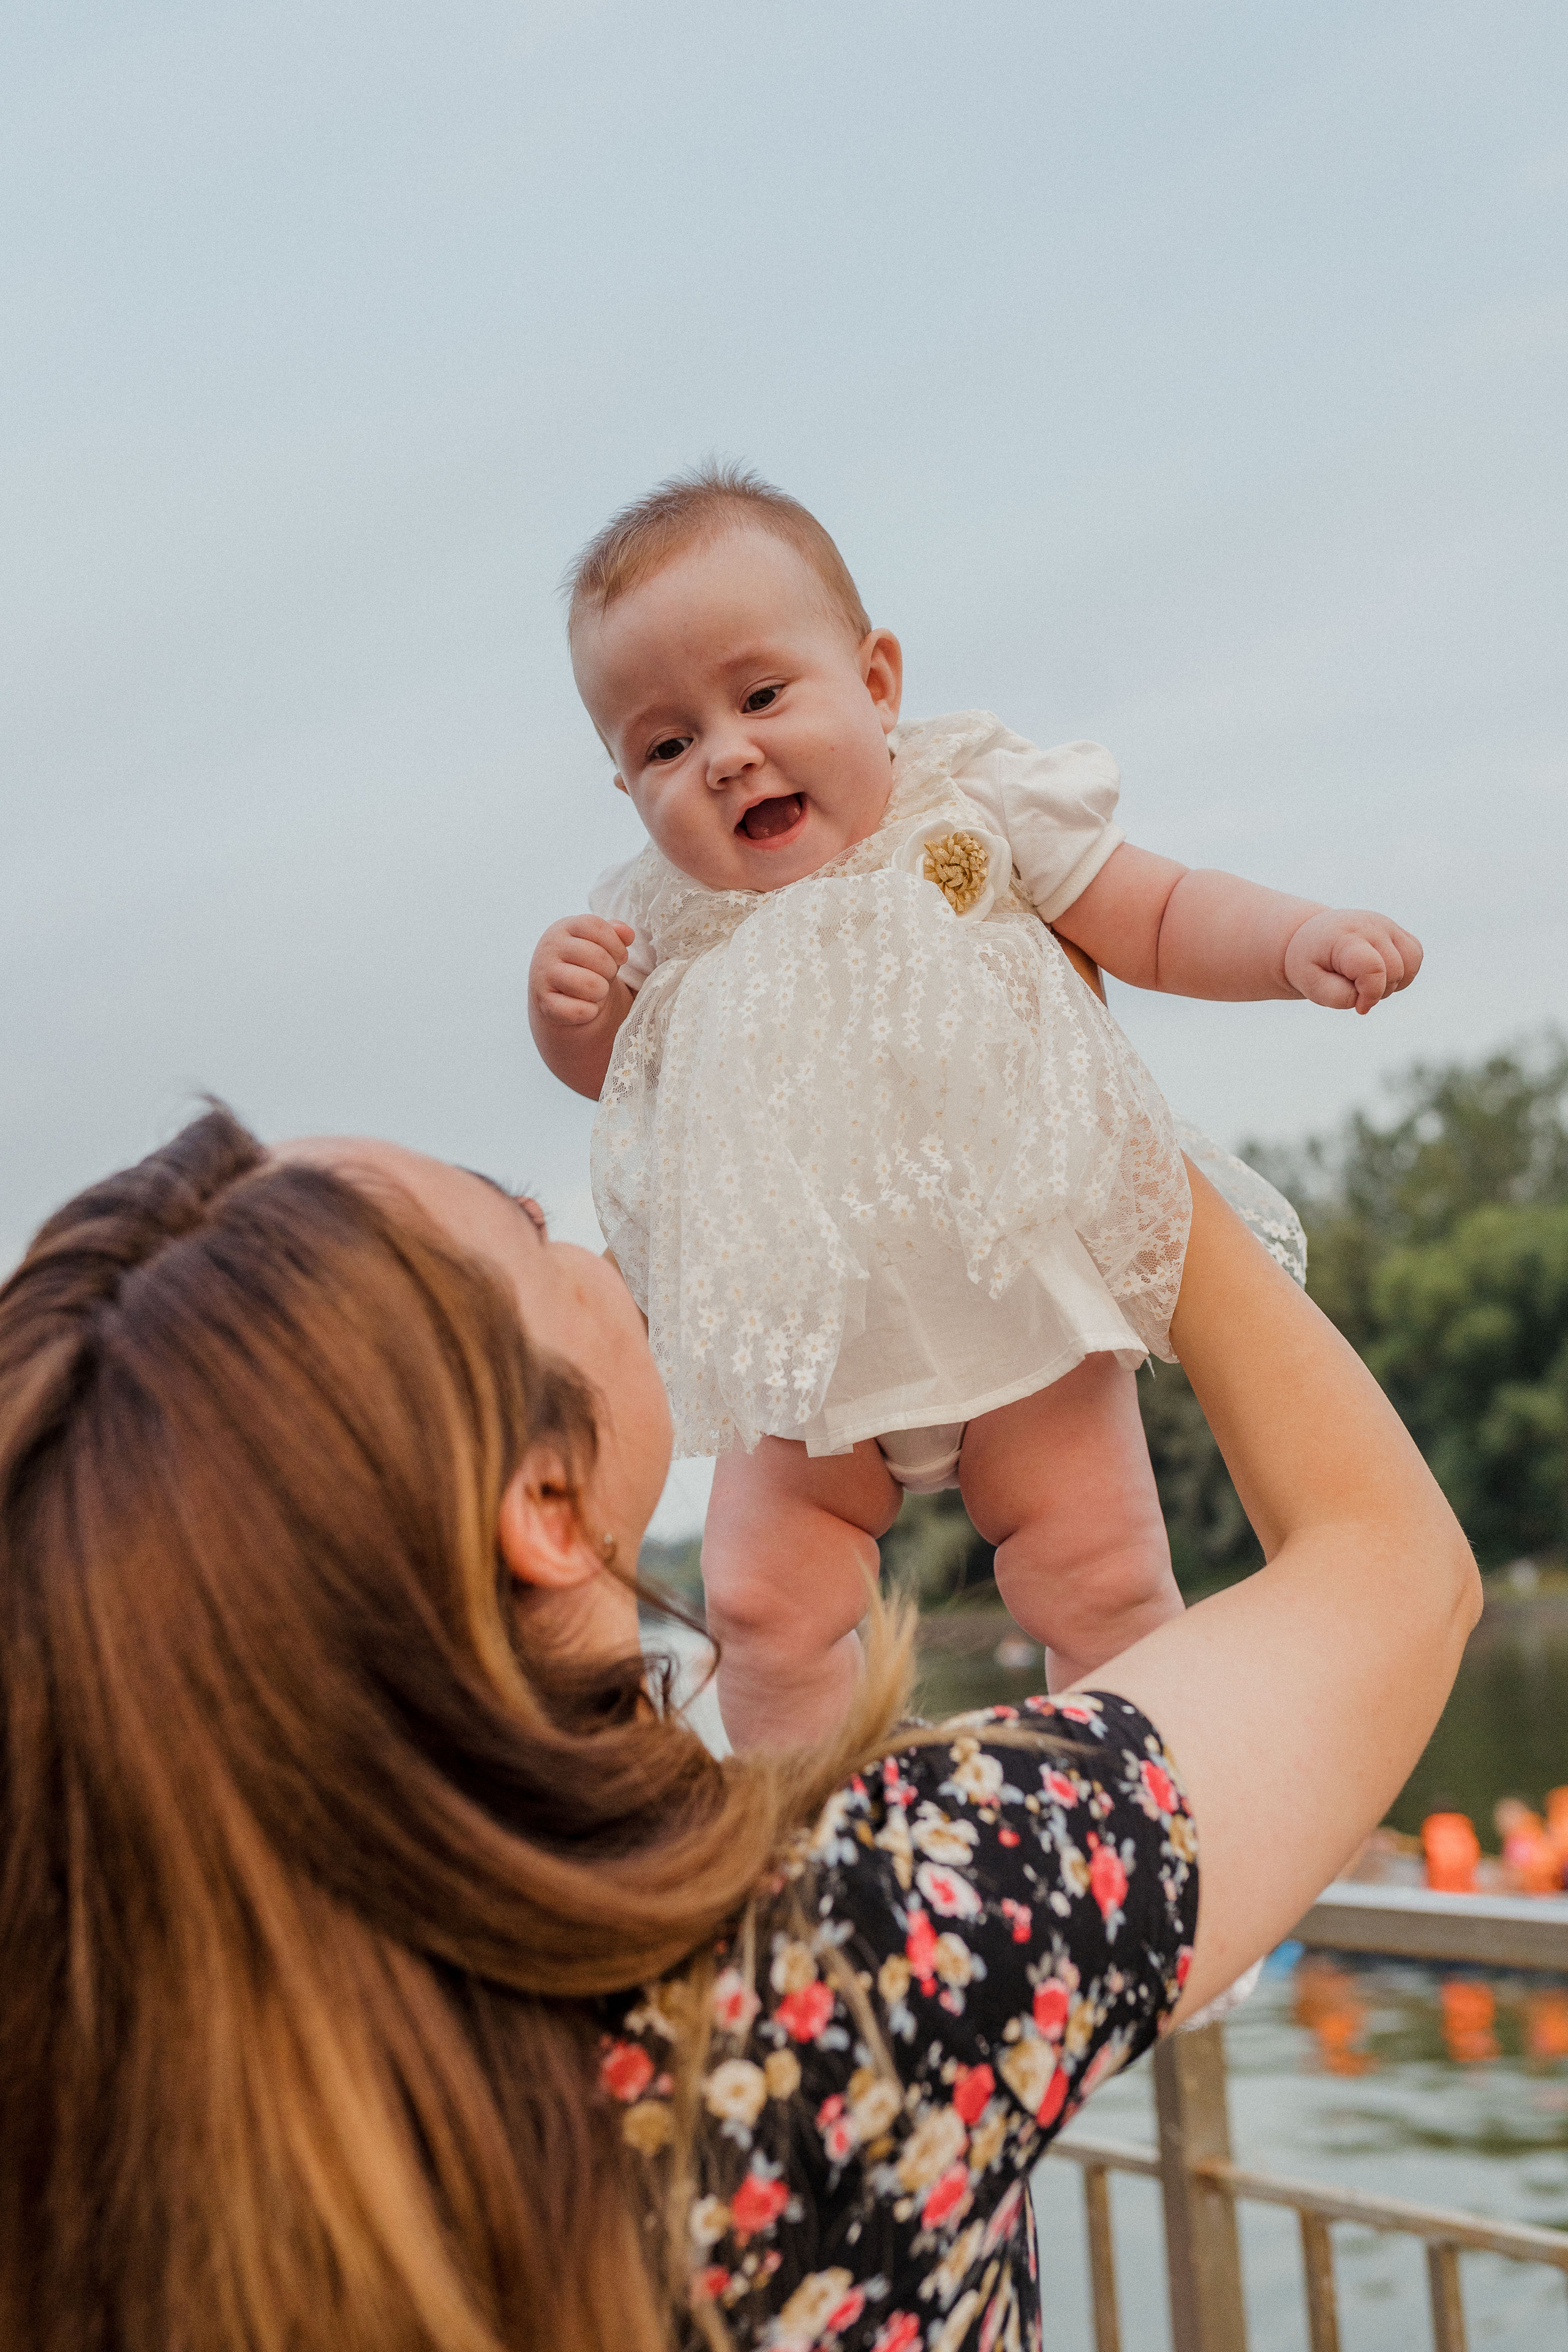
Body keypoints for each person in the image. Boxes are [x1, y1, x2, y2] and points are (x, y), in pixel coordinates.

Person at [0, 1105, 1477, 2351]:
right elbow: (1391, 1579)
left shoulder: (82, 2108)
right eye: (529, 1224)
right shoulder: (854, 1957)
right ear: (545, 1504)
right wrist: (1088, 1118)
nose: (585, 1243)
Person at [529, 464, 1423, 1747]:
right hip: (801, 1333)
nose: (725, 756)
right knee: (761, 1608)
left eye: (761, 694)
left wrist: (1291, 944)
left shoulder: (972, 801)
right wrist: (569, 1016)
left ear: (876, 681)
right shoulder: (667, 919)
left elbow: (1157, 914)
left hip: (1015, 1291)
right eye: (664, 746)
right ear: (627, 791)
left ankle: (1142, 1824)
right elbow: (619, 1077)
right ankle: (812, 1853)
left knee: (1100, 1580)